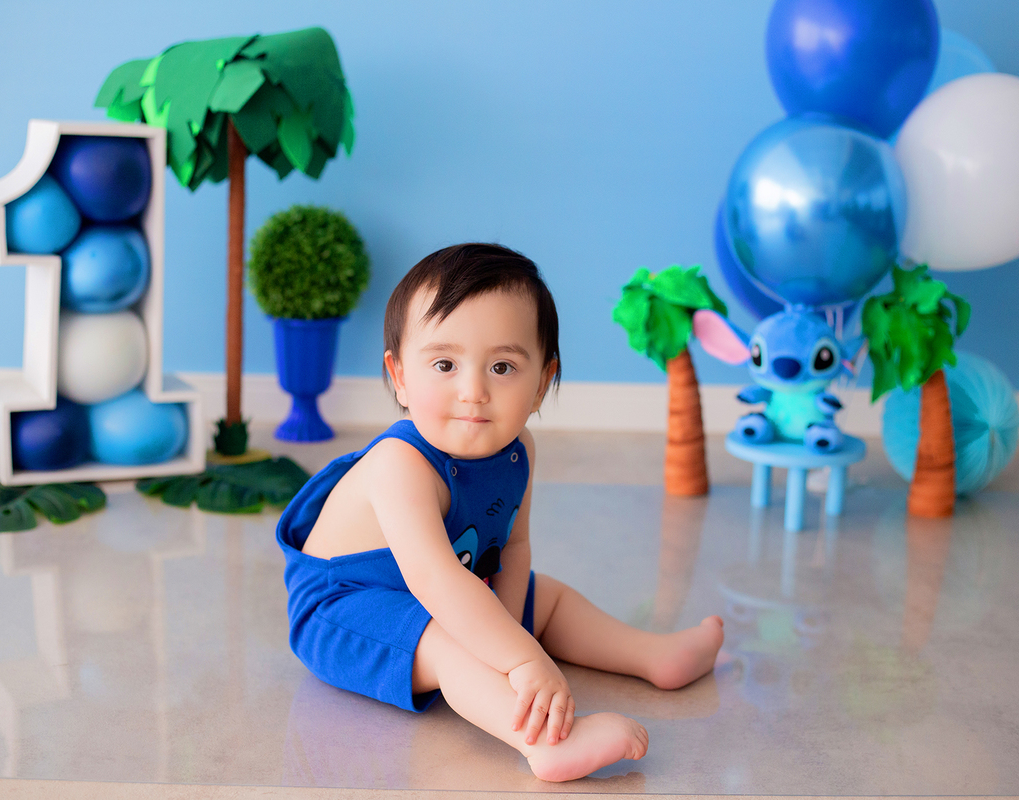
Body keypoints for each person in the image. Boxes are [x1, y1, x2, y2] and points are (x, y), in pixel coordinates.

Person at [277, 243, 724, 782]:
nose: (474, 391)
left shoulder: (519, 452)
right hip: (344, 611)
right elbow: (435, 582)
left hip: (455, 582)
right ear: (398, 376)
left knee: (546, 596)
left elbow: (510, 548)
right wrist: (521, 661)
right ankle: (544, 742)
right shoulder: (399, 464)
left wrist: (508, 634)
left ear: (542, 382)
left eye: (503, 366)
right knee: (445, 640)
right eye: (444, 363)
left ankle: (653, 655)